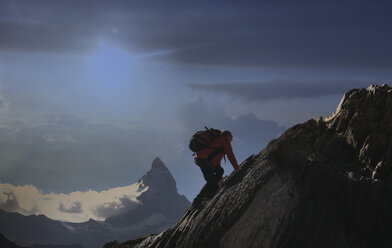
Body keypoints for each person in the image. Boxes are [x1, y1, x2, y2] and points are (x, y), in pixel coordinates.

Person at [193, 130, 240, 205]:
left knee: (220, 170)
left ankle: (211, 193)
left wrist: (220, 177)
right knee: (211, 181)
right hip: (202, 159)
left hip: (201, 158)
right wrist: (237, 169)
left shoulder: (218, 141)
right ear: (227, 135)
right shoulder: (224, 140)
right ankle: (196, 202)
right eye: (231, 136)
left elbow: (216, 162)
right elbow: (230, 155)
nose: (232, 138)